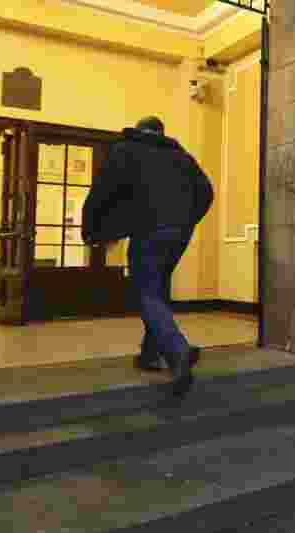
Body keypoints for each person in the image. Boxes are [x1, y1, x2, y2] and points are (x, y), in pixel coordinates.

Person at [82, 116, 213, 396]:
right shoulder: (182, 157)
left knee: (146, 291)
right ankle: (150, 354)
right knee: (158, 287)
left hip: (148, 230)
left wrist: (92, 230)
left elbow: (103, 192)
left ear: (139, 130)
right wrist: (187, 220)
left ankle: (178, 350)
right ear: (162, 133)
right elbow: (206, 192)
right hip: (179, 233)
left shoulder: (126, 150)